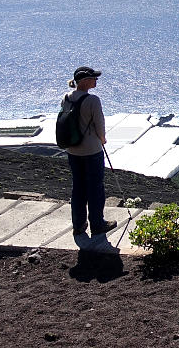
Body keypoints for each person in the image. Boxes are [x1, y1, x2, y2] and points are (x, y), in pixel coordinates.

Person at [61, 66, 117, 236]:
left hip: (73, 149)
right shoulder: (93, 100)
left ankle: (78, 225)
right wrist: (102, 139)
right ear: (85, 81)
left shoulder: (66, 98)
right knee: (95, 188)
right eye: (93, 78)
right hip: (91, 150)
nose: (96, 81)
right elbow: (99, 124)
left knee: (78, 187)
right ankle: (97, 223)